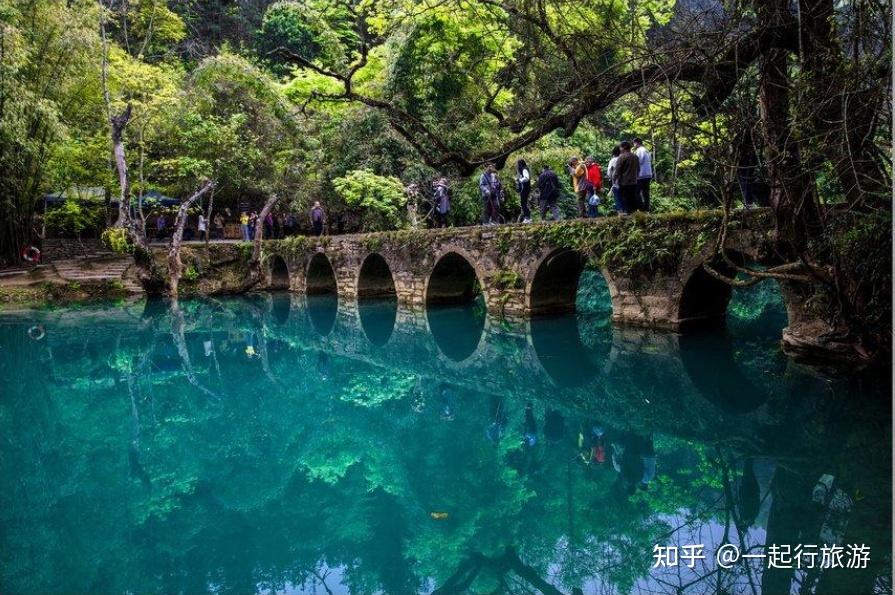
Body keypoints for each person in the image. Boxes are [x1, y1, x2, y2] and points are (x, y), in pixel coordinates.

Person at [613, 141, 641, 214]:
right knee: (633, 200)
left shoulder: (622, 157)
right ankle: (634, 216)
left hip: (624, 182)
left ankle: (627, 216)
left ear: (624, 147)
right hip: (634, 182)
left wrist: (614, 181)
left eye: (620, 147)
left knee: (625, 200)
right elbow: (638, 169)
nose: (619, 149)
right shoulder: (635, 156)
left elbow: (617, 170)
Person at [633, 138, 653, 212]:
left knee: (636, 192)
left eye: (634, 143)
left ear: (637, 143)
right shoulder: (646, 150)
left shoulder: (639, 150)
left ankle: (642, 209)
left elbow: (638, 162)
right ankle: (647, 209)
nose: (634, 145)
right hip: (648, 174)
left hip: (641, 175)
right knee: (646, 193)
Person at [606, 146, 623, 214]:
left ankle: (621, 214)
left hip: (616, 182)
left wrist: (611, 177)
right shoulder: (623, 159)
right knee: (624, 198)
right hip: (626, 182)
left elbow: (609, 172)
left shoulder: (613, 160)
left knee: (617, 199)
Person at [516, 159, 532, 223]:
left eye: (518, 164)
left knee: (523, 203)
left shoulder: (524, 169)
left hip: (524, 188)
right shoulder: (523, 169)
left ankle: (527, 218)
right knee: (524, 203)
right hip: (525, 188)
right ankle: (527, 217)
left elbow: (526, 178)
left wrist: (520, 180)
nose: (517, 165)